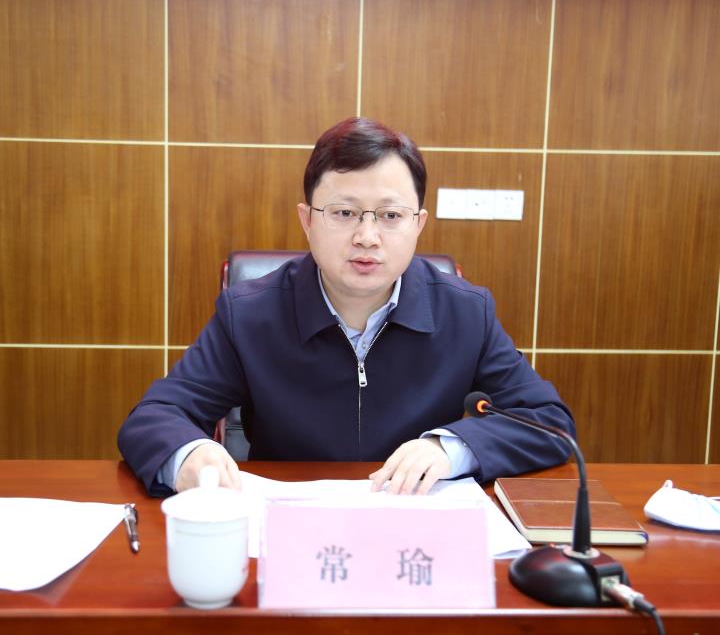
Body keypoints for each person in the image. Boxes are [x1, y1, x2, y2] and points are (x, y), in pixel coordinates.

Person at [118, 117, 575, 498]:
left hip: (414, 523)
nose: (367, 237)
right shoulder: (249, 315)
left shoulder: (466, 312)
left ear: (418, 224)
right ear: (307, 221)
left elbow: (549, 423)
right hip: (291, 526)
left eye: (390, 216)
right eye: (344, 213)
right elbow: (155, 417)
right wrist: (189, 454)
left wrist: (451, 449)